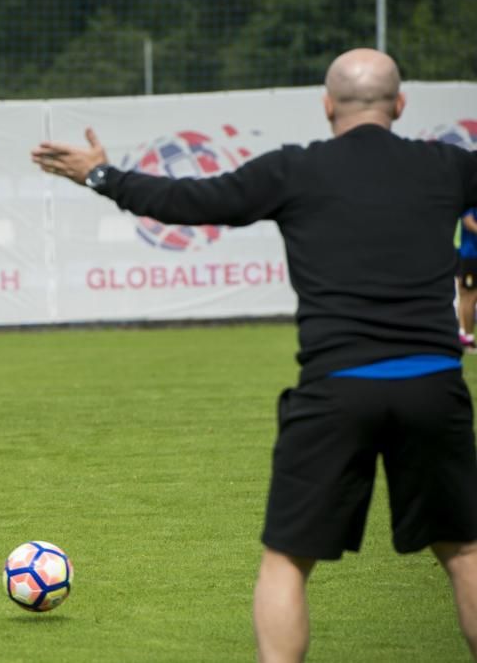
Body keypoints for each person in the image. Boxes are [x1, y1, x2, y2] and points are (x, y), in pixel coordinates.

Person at [32, 48, 477, 661]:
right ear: (399, 105)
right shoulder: (449, 167)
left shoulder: (295, 171)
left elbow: (192, 201)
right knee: (464, 551)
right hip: (434, 385)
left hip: (336, 391)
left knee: (287, 563)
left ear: (327, 106)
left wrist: (102, 175)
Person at [457, 207, 477, 352]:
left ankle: (464, 335)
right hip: (470, 255)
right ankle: (468, 339)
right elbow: (468, 222)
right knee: (470, 296)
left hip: (467, 254)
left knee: (465, 297)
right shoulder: (470, 201)